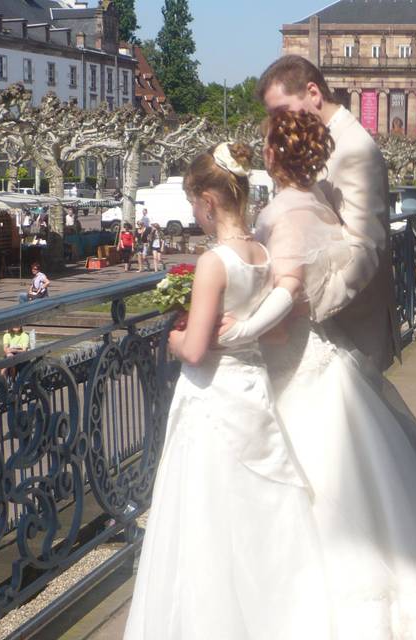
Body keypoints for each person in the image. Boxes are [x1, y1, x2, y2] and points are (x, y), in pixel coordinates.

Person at [219, 110, 416, 638]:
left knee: (322, 492)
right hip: (325, 355)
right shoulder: (319, 205)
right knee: (370, 487)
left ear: (272, 155)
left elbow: (285, 297)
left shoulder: (282, 213)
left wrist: (235, 328)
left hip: (295, 363)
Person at [124, 142, 330, 639]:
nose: (193, 214)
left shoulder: (213, 262)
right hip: (253, 391)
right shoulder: (261, 255)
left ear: (208, 202)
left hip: (211, 398)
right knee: (258, 509)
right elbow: (275, 332)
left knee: (204, 516)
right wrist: (239, 332)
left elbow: (196, 350)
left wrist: (172, 338)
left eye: (194, 204)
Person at [256, 54, 399, 372]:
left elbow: (365, 250)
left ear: (314, 93)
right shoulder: (318, 143)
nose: (278, 125)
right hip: (317, 329)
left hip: (349, 327)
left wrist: (305, 305)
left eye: (281, 111)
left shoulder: (354, 150)